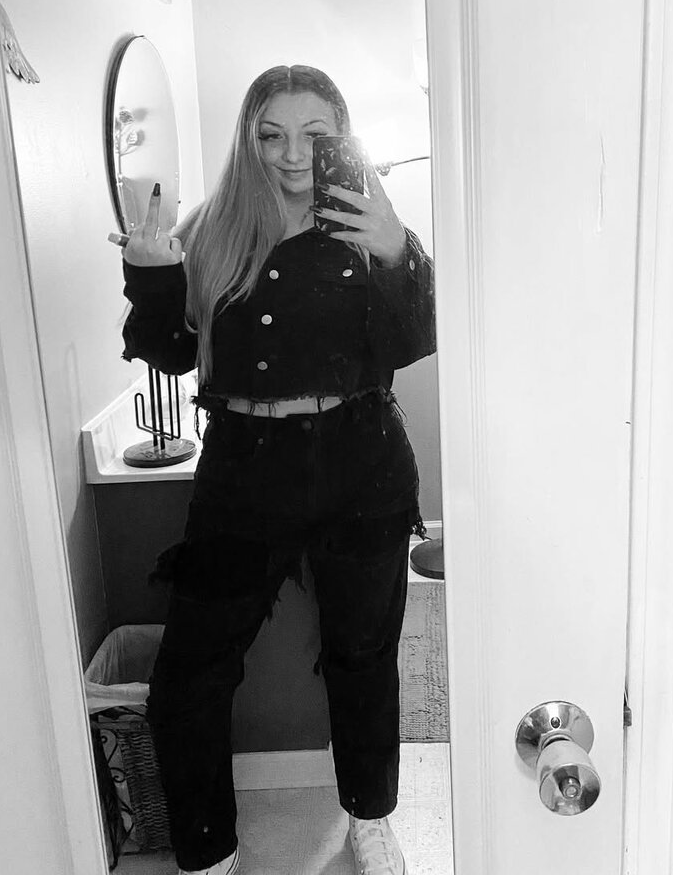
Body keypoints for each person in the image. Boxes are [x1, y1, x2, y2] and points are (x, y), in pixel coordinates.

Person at [119, 64, 435, 875]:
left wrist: (397, 252)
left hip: (360, 462)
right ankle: (206, 851)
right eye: (272, 134)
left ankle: (370, 816)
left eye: (314, 135)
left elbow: (413, 341)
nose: (293, 155)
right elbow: (170, 352)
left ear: (340, 137)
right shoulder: (213, 228)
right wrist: (150, 275)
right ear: (248, 137)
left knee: (364, 656)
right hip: (244, 471)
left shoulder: (369, 223)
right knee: (191, 673)